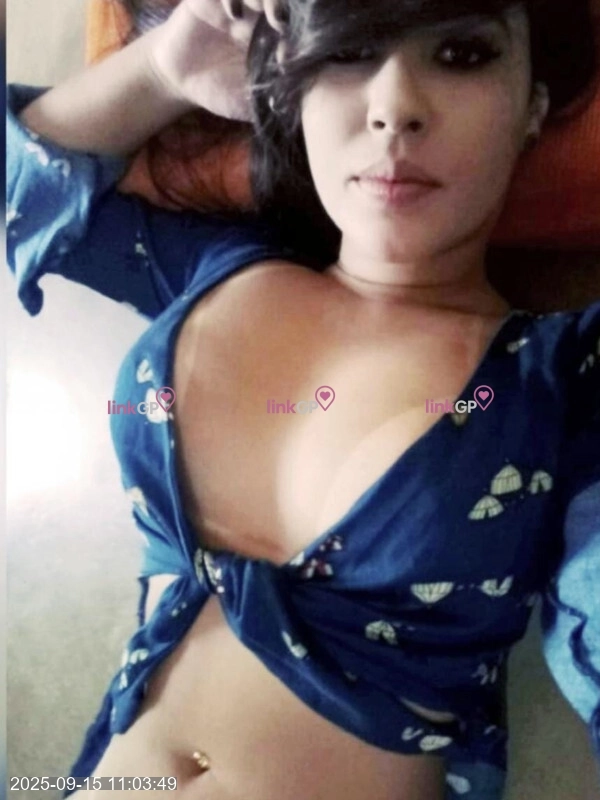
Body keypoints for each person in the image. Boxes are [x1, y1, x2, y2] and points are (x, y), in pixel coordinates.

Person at [7, 0, 600, 798]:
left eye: (462, 55)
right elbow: (18, 184)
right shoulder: (213, 267)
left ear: (532, 106)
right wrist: (162, 69)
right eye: (347, 53)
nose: (393, 108)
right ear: (294, 88)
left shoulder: (561, 378)